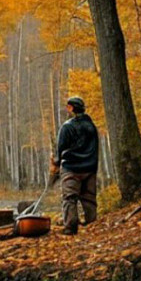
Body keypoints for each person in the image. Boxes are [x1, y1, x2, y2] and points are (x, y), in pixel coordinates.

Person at [50, 96, 99, 235]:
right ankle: (93, 226)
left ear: (71, 108)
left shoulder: (67, 126)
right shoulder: (91, 126)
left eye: (68, 106)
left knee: (69, 198)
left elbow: (61, 149)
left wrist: (57, 164)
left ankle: (70, 228)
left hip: (71, 168)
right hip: (90, 168)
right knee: (89, 198)